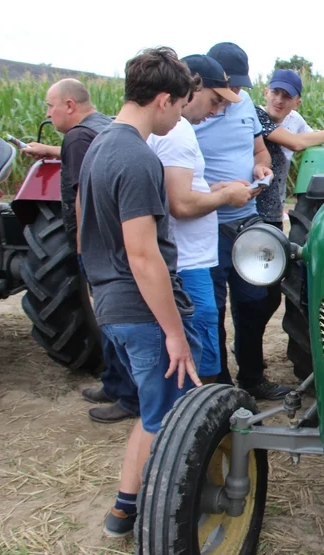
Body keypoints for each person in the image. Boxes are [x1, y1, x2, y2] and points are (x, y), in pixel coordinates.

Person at [77, 46, 202, 537]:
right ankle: (153, 515)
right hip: (143, 310)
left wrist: (97, 295)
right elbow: (143, 255)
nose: (181, 117)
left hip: (113, 305)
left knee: (152, 413)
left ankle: (122, 513)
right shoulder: (136, 157)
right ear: (164, 100)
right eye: (183, 106)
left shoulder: (98, 146)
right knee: (166, 419)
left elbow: (83, 229)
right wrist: (174, 332)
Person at [21, 79, 140, 425]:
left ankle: (128, 395)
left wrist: (80, 246)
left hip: (96, 245)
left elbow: (79, 197)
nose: (47, 112)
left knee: (111, 318)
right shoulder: (103, 126)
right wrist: (49, 150)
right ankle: (114, 383)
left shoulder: (76, 137)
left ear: (69, 105)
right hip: (115, 241)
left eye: (49, 106)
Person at [146, 54, 256, 385]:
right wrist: (226, 196)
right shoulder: (177, 132)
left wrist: (212, 187)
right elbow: (180, 204)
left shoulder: (178, 130)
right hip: (189, 261)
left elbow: (173, 189)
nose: (217, 110)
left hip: (191, 256)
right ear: (193, 87)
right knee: (201, 342)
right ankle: (205, 424)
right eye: (214, 100)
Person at [193, 42, 290, 399]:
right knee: (211, 307)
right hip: (208, 225)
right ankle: (219, 386)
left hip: (246, 220)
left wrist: (260, 167)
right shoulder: (190, 115)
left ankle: (251, 376)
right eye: (228, 87)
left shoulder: (244, 104)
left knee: (256, 300)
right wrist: (216, 191)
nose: (234, 94)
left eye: (239, 87)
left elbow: (259, 150)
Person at [254, 69, 324, 227]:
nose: (279, 100)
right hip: (251, 209)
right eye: (275, 92)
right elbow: (295, 143)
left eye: (286, 96)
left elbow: (314, 138)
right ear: (266, 93)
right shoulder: (256, 116)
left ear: (297, 103)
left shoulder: (295, 120)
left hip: (274, 209)